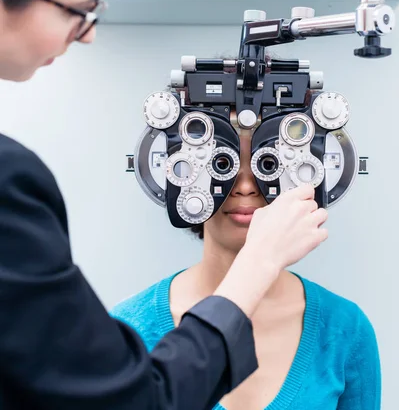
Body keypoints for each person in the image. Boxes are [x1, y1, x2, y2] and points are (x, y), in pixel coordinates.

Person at [0, 0, 330, 410]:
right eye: (79, 9)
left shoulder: (341, 332)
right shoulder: (9, 185)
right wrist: (254, 267)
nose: (88, 36)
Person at [112, 129, 381, 410]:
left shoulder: (345, 330)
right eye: (221, 163)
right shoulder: (128, 329)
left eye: (267, 163)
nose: (245, 187)